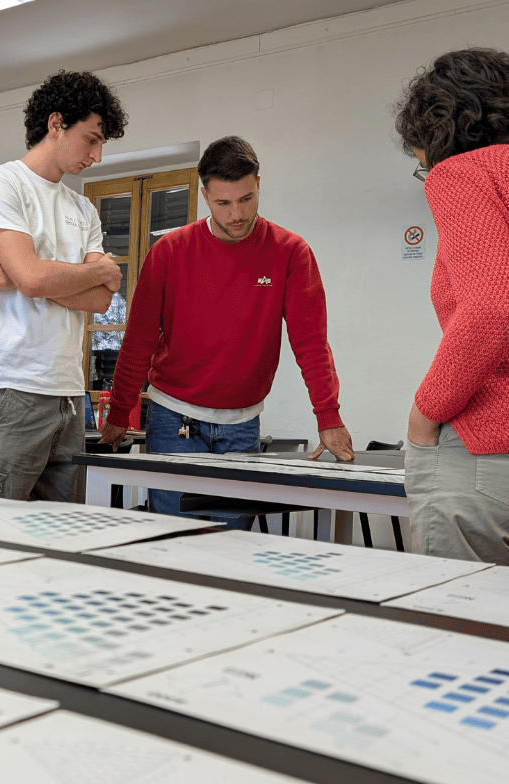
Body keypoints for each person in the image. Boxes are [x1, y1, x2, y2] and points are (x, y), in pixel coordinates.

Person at [100, 136, 354, 516]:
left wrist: (328, 416)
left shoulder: (290, 252)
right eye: (223, 203)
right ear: (205, 196)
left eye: (246, 199)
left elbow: (312, 344)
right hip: (174, 420)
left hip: (242, 424)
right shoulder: (169, 252)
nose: (236, 214)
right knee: (171, 544)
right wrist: (120, 412)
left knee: (231, 550)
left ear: (258, 186)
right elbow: (138, 342)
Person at [0, 70, 127, 502]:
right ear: (57, 124)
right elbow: (38, 280)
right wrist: (41, 276)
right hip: (9, 387)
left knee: (59, 535)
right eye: (91, 139)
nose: (97, 155)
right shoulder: (1, 183)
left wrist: (16, 276)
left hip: (69, 395)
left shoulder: (83, 208)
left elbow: (100, 298)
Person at [395, 48, 509, 564]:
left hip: (486, 453)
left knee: (454, 635)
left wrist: (425, 413)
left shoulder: (465, 172)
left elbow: (490, 306)